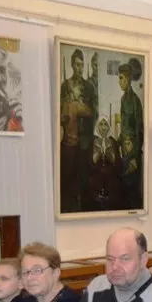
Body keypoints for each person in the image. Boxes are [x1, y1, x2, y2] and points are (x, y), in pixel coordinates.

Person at [60, 48, 96, 213]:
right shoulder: (65, 86)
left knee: (84, 179)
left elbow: (94, 113)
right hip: (69, 141)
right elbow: (60, 113)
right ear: (72, 65)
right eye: (77, 65)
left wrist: (80, 106)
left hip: (85, 141)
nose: (80, 68)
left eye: (82, 65)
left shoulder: (88, 87)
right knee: (68, 179)